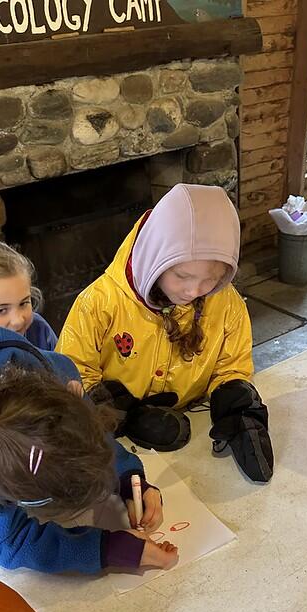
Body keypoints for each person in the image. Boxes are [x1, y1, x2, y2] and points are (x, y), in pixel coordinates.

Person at [0, 323, 178, 574]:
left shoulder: (62, 383)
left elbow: (90, 439)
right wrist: (107, 549)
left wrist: (128, 479)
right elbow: (7, 541)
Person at [57, 183, 273, 483]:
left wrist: (237, 405)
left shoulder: (226, 303)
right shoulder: (98, 303)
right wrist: (122, 415)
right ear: (154, 258)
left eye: (210, 279)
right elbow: (72, 373)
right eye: (182, 276)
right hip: (120, 444)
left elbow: (231, 364)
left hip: (193, 426)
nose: (194, 290)